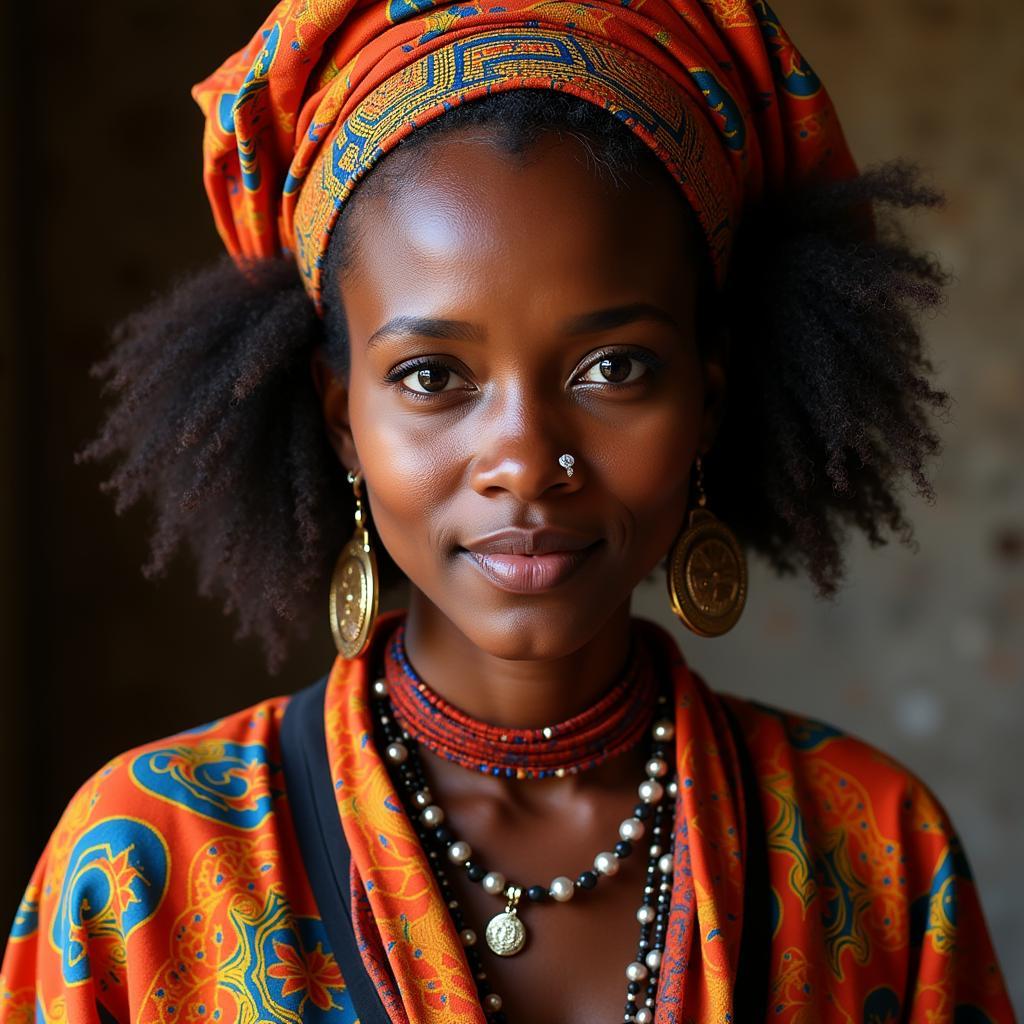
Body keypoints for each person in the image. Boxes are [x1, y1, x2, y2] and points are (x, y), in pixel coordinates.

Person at [0, 0, 1015, 1021]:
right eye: (434, 374)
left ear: (706, 398)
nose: (526, 462)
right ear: (341, 416)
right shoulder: (142, 870)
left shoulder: (877, 851)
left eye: (613, 367)